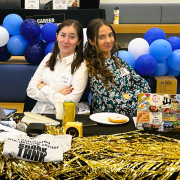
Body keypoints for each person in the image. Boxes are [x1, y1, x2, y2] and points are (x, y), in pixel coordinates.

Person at [84, 18, 151, 117]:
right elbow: (116, 106)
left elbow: (145, 87)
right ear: (91, 41)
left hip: (131, 120)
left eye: (110, 35)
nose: (108, 41)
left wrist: (126, 97)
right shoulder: (93, 67)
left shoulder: (119, 61)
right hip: (107, 123)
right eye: (101, 37)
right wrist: (136, 98)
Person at [27, 19, 88, 114]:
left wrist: (44, 88)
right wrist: (59, 96)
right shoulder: (48, 57)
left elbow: (69, 102)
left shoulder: (81, 65)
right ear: (57, 36)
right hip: (35, 114)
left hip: (60, 120)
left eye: (72, 37)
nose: (66, 41)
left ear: (79, 41)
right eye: (63, 35)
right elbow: (30, 90)